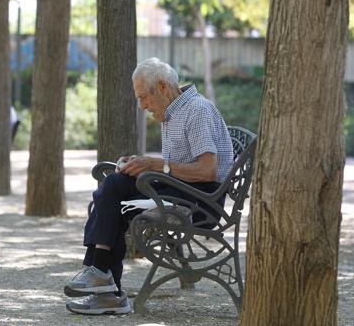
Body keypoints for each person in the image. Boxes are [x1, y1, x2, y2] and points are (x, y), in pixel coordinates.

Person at [64, 57, 234, 315]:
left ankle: (105, 285)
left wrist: (156, 166)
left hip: (202, 201)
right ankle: (101, 278)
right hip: (181, 190)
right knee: (112, 189)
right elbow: (172, 166)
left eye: (144, 97)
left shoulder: (197, 110)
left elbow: (207, 170)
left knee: (113, 199)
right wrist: (139, 165)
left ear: (163, 86)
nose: (142, 105)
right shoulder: (173, 111)